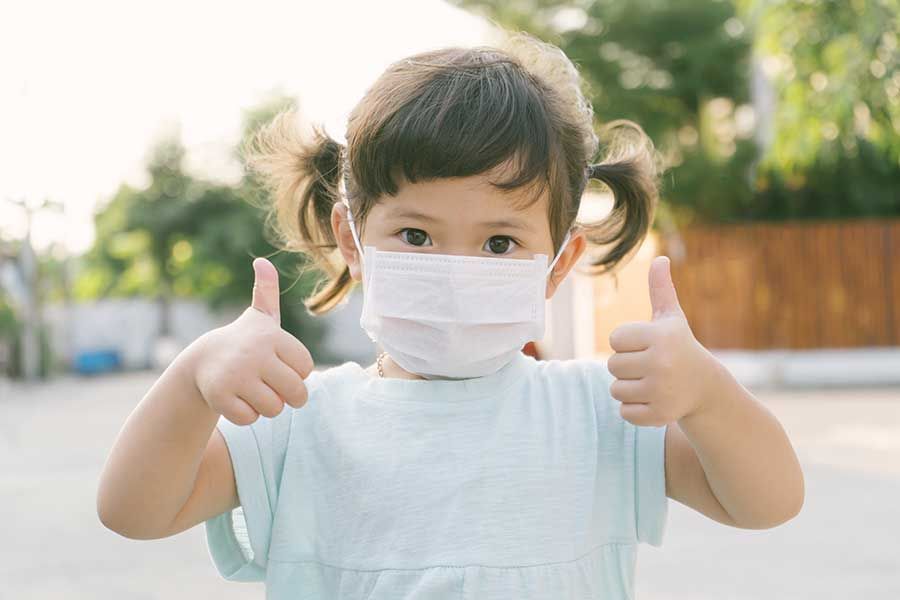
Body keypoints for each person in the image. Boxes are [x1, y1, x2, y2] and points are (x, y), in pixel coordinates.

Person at [96, 30, 805, 599]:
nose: (458, 271)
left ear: (556, 264)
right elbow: (134, 510)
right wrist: (192, 381)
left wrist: (707, 394)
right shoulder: (300, 422)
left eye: (500, 242)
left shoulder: (598, 412)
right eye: (416, 235)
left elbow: (767, 501)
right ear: (354, 241)